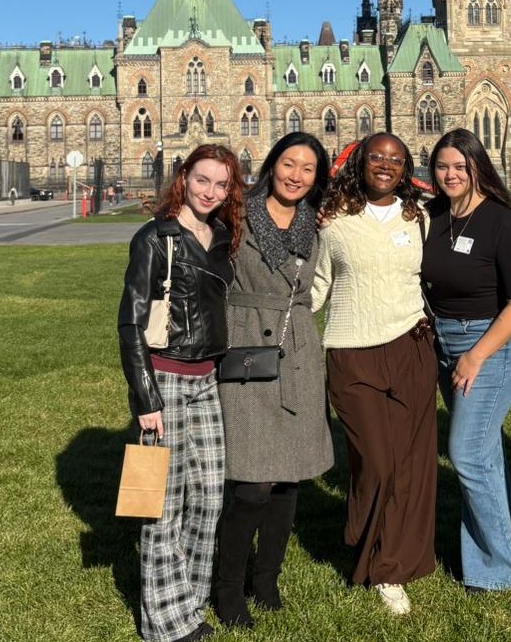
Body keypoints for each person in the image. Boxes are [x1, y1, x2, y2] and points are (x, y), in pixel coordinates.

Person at [117, 144, 244, 642]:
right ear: (183, 178)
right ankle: (164, 624)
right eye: (202, 180)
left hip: (207, 379)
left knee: (209, 498)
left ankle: (186, 603)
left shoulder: (220, 236)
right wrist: (146, 399)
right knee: (161, 505)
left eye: (221, 184)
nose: (210, 192)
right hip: (165, 380)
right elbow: (130, 323)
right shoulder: (154, 238)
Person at [311, 133, 438, 615]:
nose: (385, 165)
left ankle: (392, 566)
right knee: (377, 462)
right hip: (351, 351)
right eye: (377, 157)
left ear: (406, 168)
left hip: (410, 346)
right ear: (360, 162)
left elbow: (434, 276)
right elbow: (319, 283)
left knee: (411, 465)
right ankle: (363, 538)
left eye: (396, 159)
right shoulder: (333, 220)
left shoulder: (420, 216)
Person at [213, 132, 334, 629]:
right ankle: (226, 588)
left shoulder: (317, 224)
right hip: (246, 350)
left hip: (298, 349)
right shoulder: (237, 215)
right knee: (252, 479)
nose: (296, 175)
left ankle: (266, 579)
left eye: (308, 168)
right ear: (272, 164)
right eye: (289, 163)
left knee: (289, 477)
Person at [421, 128, 511, 593]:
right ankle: (498, 552)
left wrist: (476, 355)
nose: (450, 174)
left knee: (465, 453)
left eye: (459, 166)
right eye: (442, 166)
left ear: (477, 167)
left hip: (488, 343)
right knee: (484, 454)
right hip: (444, 340)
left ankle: (498, 569)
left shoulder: (502, 221)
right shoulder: (435, 215)